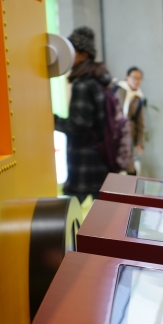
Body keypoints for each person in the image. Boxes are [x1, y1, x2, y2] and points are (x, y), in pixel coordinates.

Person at [54, 26, 111, 203]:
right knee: (102, 211)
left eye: (72, 51)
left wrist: (52, 120)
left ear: (84, 55)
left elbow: (79, 125)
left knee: (72, 210)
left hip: (84, 161)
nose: (68, 56)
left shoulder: (82, 85)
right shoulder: (98, 80)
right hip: (100, 158)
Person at [116, 66, 146, 175]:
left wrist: (140, 142)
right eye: (134, 77)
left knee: (129, 165)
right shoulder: (117, 90)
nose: (136, 81)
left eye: (139, 78)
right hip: (114, 130)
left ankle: (130, 182)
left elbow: (140, 122)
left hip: (128, 133)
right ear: (127, 77)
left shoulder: (139, 97)